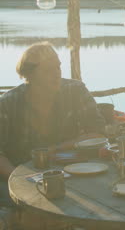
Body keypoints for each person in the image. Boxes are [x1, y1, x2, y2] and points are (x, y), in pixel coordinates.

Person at [0, 42, 105, 206]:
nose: (57, 74)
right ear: (30, 75)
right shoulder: (8, 103)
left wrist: (57, 148)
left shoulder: (75, 90)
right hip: (20, 173)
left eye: (58, 67)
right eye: (48, 70)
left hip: (70, 169)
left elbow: (97, 133)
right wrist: (18, 179)